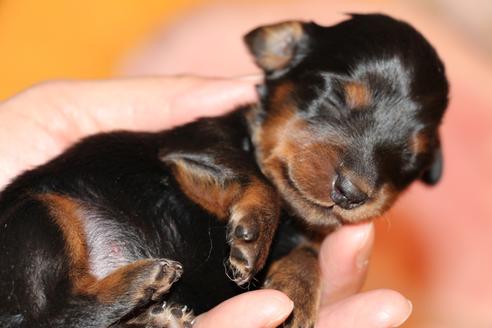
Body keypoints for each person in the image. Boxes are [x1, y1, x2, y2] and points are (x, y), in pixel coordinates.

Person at [0, 76, 412, 327]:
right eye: (337, 108)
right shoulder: (229, 136)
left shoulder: (303, 229)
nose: (357, 179)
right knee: (38, 220)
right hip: (53, 241)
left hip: (156, 277)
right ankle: (83, 311)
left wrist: (303, 268)